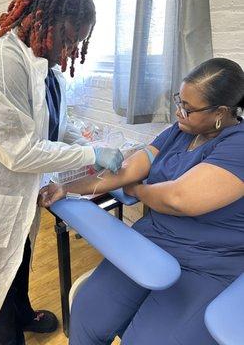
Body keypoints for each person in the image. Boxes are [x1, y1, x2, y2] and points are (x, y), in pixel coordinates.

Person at [0, 0, 124, 345]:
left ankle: (23, 313)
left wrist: (87, 147)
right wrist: (91, 152)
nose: (68, 53)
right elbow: (19, 150)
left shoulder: (41, 64)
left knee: (19, 255)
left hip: (16, 191)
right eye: (67, 40)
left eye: (77, 43)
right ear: (42, 19)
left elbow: (52, 126)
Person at [39, 58, 244, 345]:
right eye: (179, 101)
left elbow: (178, 199)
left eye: (188, 107)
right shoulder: (180, 131)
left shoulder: (238, 145)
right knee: (87, 310)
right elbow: (131, 168)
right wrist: (67, 187)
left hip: (209, 261)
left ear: (220, 112)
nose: (178, 111)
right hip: (153, 241)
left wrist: (136, 192)